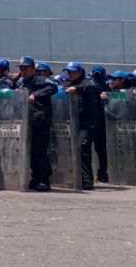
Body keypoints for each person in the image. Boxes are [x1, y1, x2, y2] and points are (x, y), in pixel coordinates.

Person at [16, 56, 58, 192]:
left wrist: (36, 95)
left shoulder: (39, 79)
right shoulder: (22, 82)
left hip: (40, 120)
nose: (23, 71)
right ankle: (36, 178)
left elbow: (53, 87)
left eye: (26, 68)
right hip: (28, 121)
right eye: (21, 68)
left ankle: (43, 181)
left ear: (33, 69)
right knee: (32, 151)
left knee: (39, 151)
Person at [63, 62, 100, 190]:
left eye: (73, 71)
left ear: (80, 72)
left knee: (82, 147)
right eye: (68, 72)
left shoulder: (87, 82)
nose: (70, 74)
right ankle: (73, 178)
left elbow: (92, 88)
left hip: (87, 123)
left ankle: (87, 180)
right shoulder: (68, 85)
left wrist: (77, 89)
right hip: (73, 123)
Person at [91, 65, 110, 182]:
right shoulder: (91, 87)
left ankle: (102, 172)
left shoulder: (107, 88)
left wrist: (109, 96)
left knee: (101, 150)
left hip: (102, 122)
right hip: (94, 121)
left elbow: (122, 98)